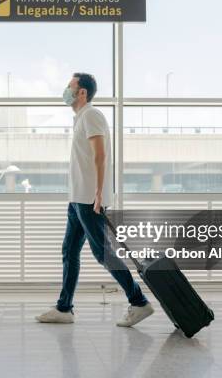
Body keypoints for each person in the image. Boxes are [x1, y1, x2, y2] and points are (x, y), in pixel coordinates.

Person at [35, 73, 154, 327]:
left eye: (70, 86)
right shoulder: (80, 118)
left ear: (82, 93)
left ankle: (139, 302)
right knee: (69, 251)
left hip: (90, 199)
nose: (66, 89)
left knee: (103, 254)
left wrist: (99, 193)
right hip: (77, 198)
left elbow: (100, 155)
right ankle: (64, 308)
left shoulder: (91, 115)